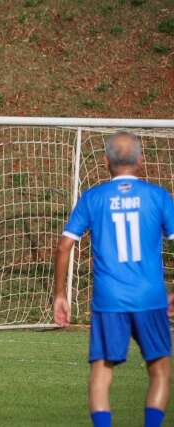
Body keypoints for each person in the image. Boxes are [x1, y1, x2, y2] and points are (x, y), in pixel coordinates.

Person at [53, 132, 174, 427]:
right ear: (141, 162)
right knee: (160, 370)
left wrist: (59, 294)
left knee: (101, 373)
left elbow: (64, 245)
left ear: (106, 161)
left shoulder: (93, 197)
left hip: (109, 299)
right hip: (150, 297)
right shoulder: (158, 197)